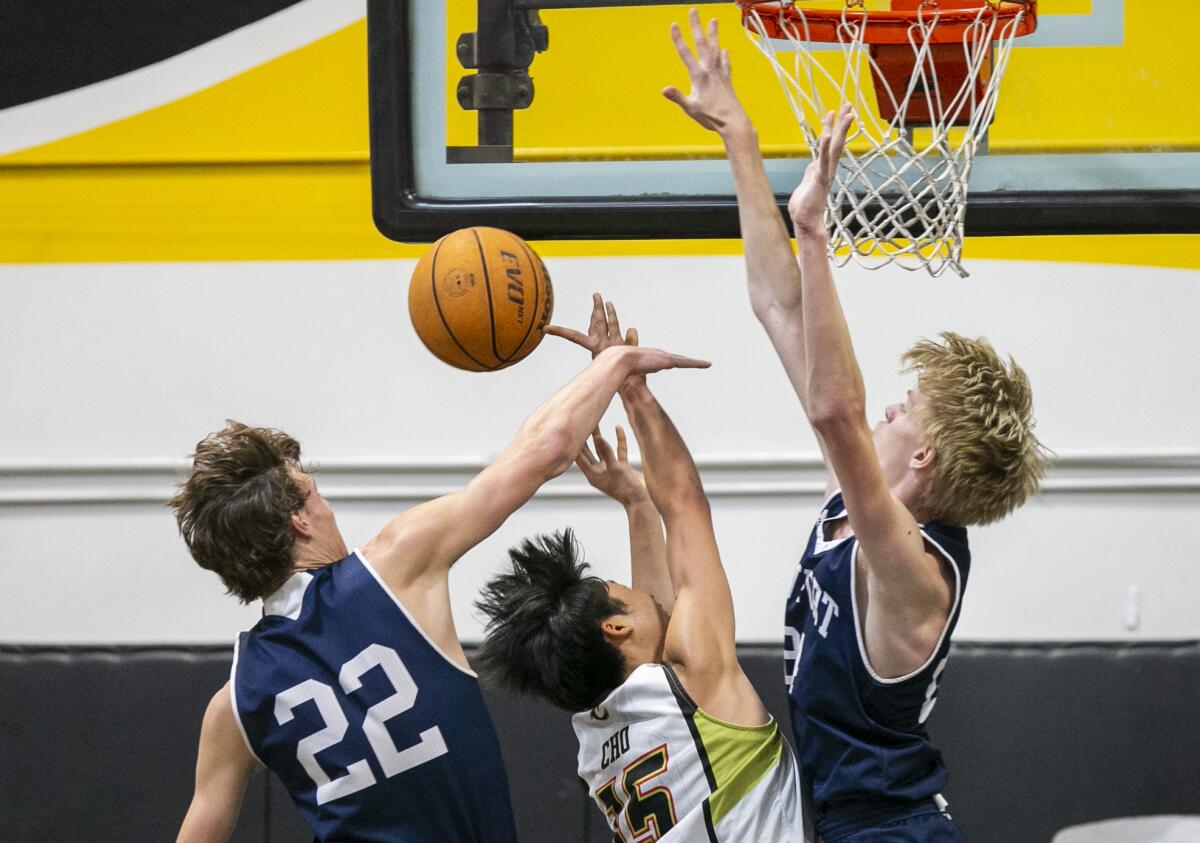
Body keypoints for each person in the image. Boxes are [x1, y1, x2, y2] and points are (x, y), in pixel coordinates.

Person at [663, 10, 1046, 842]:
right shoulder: (861, 508)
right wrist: (740, 138)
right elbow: (776, 306)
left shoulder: (915, 571)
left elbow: (835, 409)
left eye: (904, 407)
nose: (885, 408)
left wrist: (815, 231)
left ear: (924, 453)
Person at [169, 339, 709, 843]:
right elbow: (545, 449)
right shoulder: (391, 567)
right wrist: (613, 363)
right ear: (299, 524)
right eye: (315, 496)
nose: (327, 508)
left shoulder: (233, 705)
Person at [476, 296, 806, 842]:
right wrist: (629, 382)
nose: (653, 597)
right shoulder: (696, 682)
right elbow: (685, 501)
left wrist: (636, 505)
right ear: (616, 626)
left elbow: (659, 624)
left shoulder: (596, 738)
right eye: (627, 594)